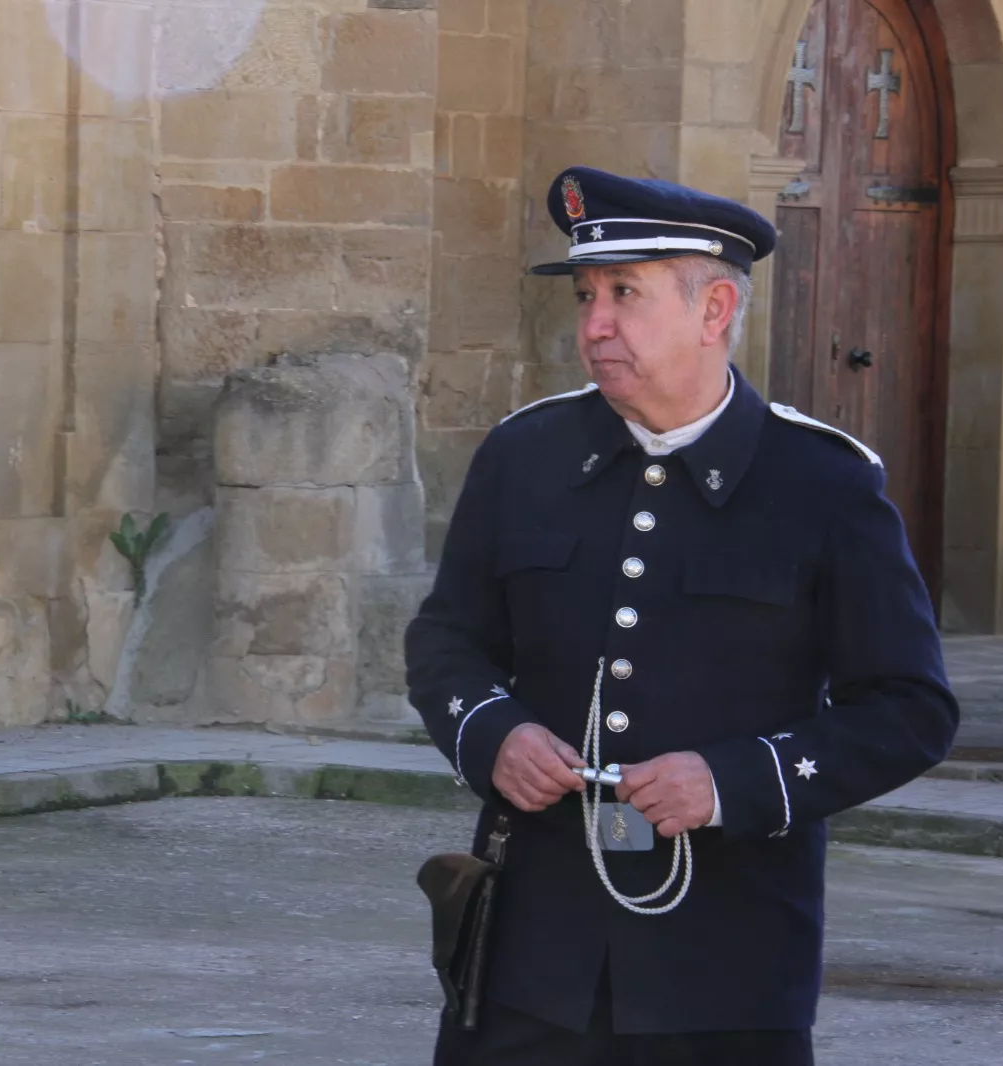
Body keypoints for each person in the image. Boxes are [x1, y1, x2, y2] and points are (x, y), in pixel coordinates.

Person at [405, 166, 959, 1065]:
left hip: (727, 963)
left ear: (715, 312)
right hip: (529, 950)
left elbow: (910, 709)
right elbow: (447, 642)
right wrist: (492, 732)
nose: (594, 323)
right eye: (586, 294)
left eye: (625, 292)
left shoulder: (823, 484)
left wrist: (733, 781)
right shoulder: (524, 457)